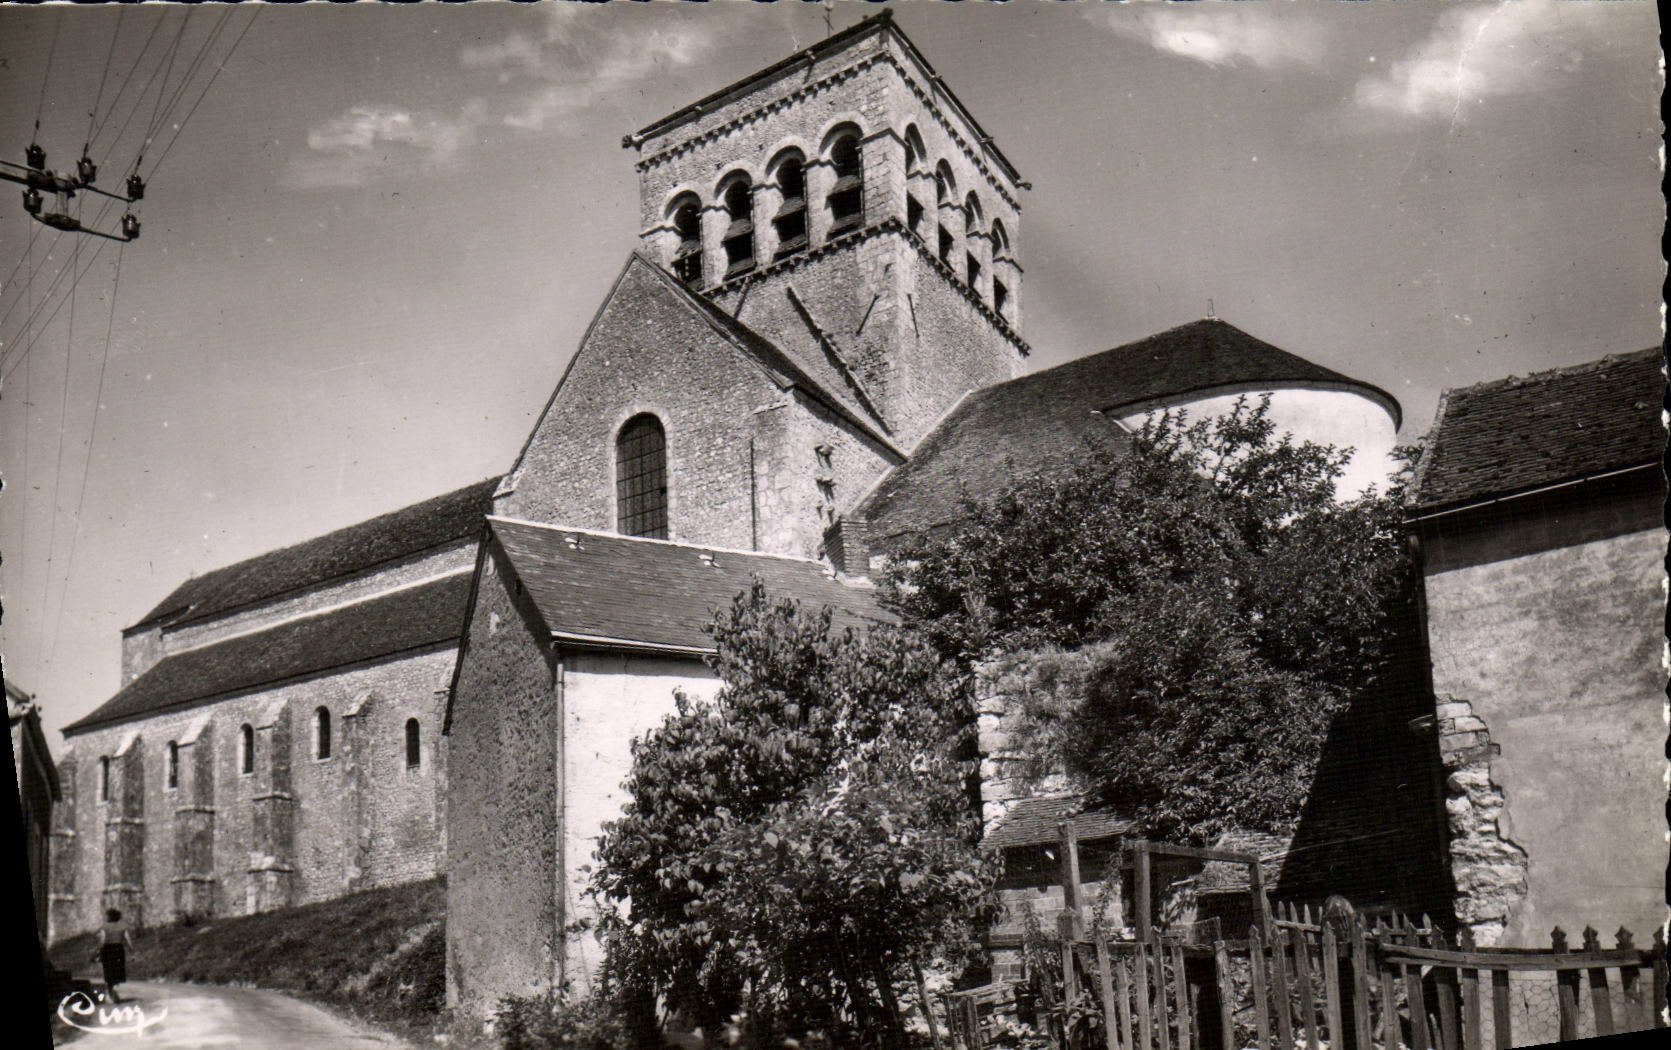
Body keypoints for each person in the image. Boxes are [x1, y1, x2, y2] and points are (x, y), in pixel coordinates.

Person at [94, 908, 134, 1003]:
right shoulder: (122, 926)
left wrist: (98, 951)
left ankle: (110, 993)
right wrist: (131, 951)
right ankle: (115, 988)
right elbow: (128, 939)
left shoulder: (104, 927)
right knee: (117, 970)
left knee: (108, 970)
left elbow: (102, 940)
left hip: (107, 950)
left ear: (109, 916)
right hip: (118, 949)